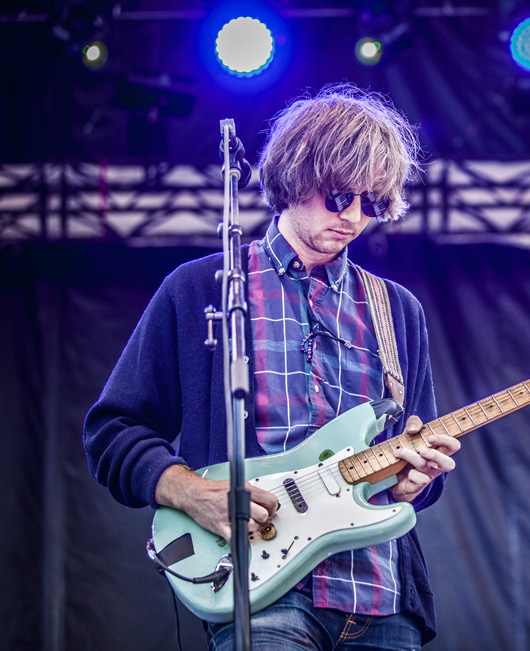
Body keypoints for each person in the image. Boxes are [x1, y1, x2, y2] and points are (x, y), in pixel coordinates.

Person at [83, 83, 459, 650]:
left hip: (381, 598)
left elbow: (413, 467)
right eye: (339, 197)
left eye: (372, 203)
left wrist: (415, 481)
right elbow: (112, 432)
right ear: (296, 176)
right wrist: (188, 490)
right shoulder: (203, 289)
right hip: (263, 596)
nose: (355, 217)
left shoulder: (397, 310)